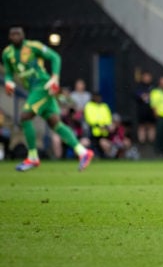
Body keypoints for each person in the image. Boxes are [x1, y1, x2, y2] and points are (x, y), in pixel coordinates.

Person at [2, 27, 94, 171]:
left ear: (23, 35)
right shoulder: (7, 53)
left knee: (25, 117)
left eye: (18, 34)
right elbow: (8, 73)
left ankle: (32, 156)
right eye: (12, 34)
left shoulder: (33, 46)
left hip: (42, 86)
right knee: (55, 123)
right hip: (32, 89)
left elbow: (55, 57)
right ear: (9, 37)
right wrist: (8, 81)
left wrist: (55, 77)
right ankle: (83, 152)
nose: (15, 37)